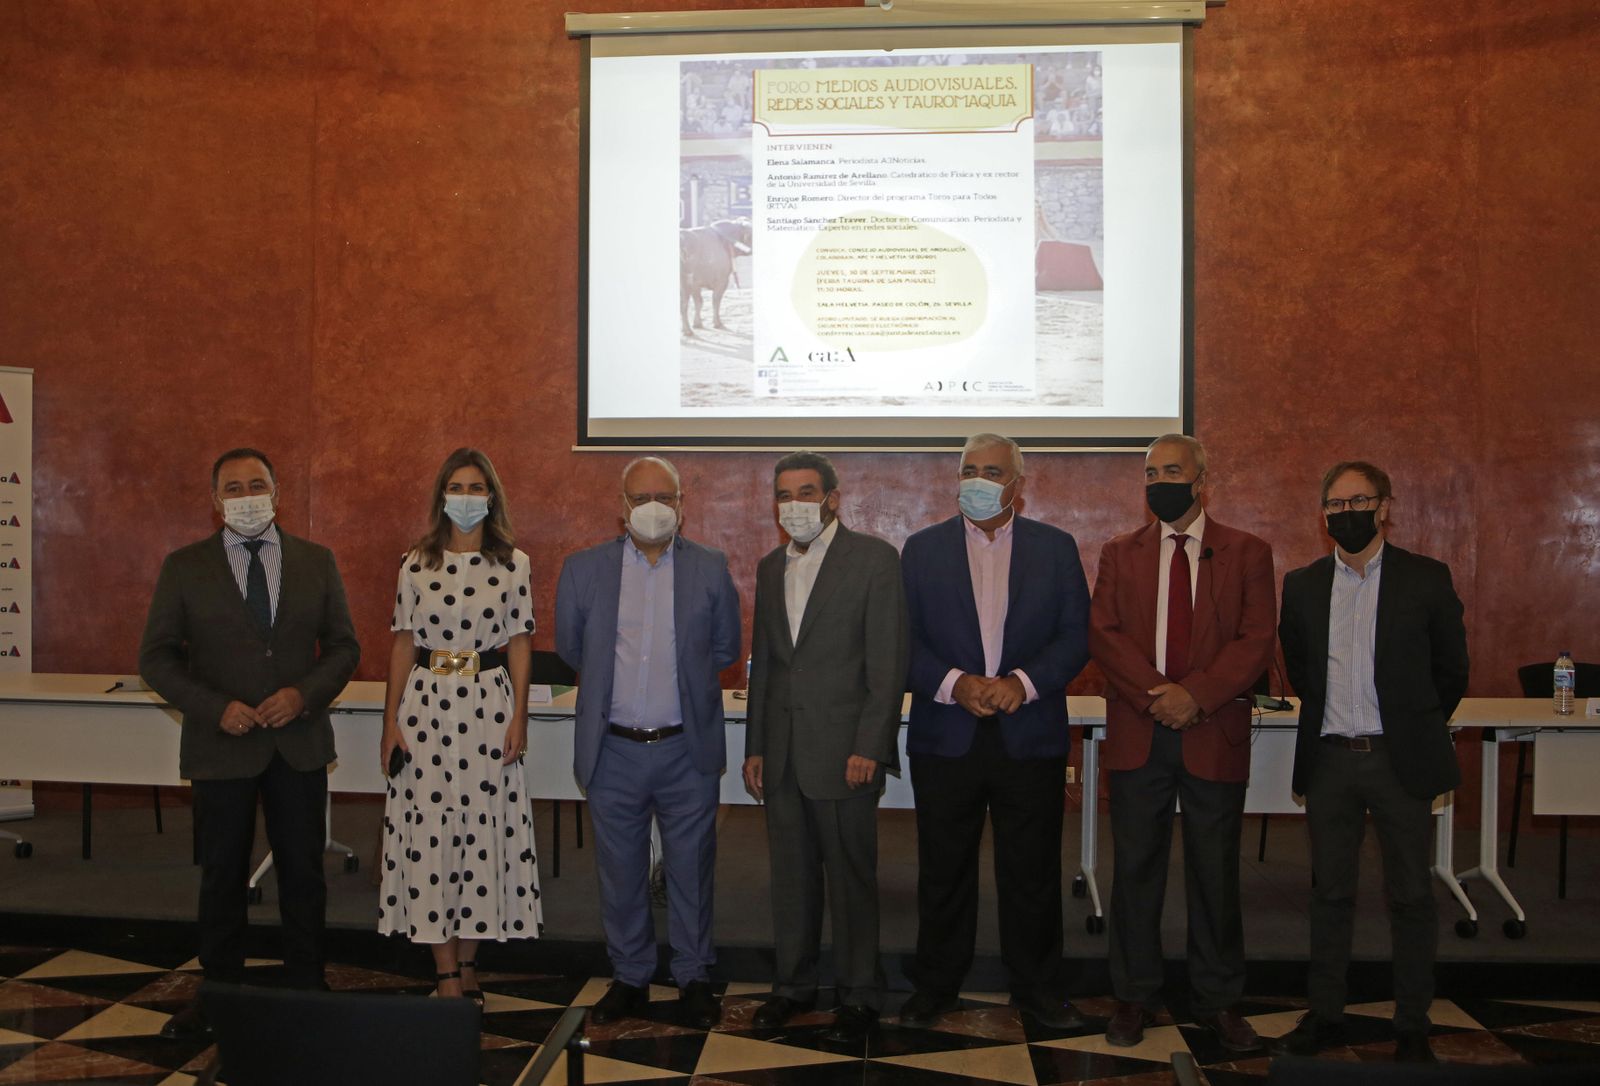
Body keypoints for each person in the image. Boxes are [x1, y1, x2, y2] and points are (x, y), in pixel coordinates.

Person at [139, 448, 361, 1038]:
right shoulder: (184, 566)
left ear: (278, 491)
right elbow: (155, 659)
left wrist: (302, 694)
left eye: (256, 484)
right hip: (222, 746)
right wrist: (215, 708)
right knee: (222, 874)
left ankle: (308, 986)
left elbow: (344, 647)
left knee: (303, 871)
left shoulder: (317, 561)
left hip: (299, 740)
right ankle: (218, 995)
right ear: (215, 502)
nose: (245, 495)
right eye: (232, 488)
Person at [1268, 462, 1468, 1064]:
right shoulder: (1302, 585)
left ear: (1384, 506)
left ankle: (1412, 1022)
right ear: (1322, 513)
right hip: (1330, 762)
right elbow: (1301, 668)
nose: (1345, 513)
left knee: (1410, 895)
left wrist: (1410, 726)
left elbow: (1450, 673)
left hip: (1397, 759)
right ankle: (1327, 1014)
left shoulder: (1427, 578)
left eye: (1358, 501)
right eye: (1333, 505)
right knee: (1329, 893)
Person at [1089, 434, 1275, 1052]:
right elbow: (1106, 634)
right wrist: (1156, 695)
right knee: (1135, 871)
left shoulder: (1247, 551)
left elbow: (1255, 640)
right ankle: (1133, 996)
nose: (1159, 481)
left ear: (1201, 481)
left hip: (1211, 730)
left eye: (1172, 470)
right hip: (1142, 732)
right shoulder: (1121, 552)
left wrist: (1195, 695)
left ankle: (1218, 1001)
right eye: (1150, 472)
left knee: (1215, 873)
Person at [898, 434, 1091, 1029]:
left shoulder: (1056, 549)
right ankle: (935, 986)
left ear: (1017, 484)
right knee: (943, 869)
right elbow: (901, 639)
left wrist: (1023, 682)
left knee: (1031, 872)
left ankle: (1037, 991)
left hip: (1026, 732)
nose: (977, 480)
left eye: (992, 471)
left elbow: (1075, 637)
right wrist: (955, 682)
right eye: (968, 470)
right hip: (946, 733)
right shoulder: (921, 549)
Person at [555, 456, 741, 1029]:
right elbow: (571, 649)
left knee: (691, 869)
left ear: (683, 505)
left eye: (665, 496)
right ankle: (631, 976)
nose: (653, 507)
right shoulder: (584, 569)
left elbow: (724, 648)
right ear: (621, 506)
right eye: (641, 498)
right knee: (620, 872)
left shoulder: (711, 567)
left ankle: (693, 976)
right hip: (613, 750)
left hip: (687, 748)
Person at [742, 451, 909, 1042]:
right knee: (791, 880)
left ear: (833, 498)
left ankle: (859, 993)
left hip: (846, 755)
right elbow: (766, 667)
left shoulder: (874, 561)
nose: (795, 506)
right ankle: (793, 987)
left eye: (807, 493)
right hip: (783, 754)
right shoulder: (768, 567)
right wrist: (756, 746)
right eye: (784, 495)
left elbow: (888, 666)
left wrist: (871, 744)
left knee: (851, 879)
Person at [378, 448, 542, 1002]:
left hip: (488, 711)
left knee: (482, 835)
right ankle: (445, 972)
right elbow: (403, 641)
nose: (466, 497)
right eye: (457, 486)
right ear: (441, 495)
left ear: (491, 496)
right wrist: (388, 723)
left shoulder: (514, 563)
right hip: (424, 712)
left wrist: (520, 713)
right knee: (431, 835)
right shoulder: (414, 563)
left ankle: (468, 963)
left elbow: (520, 641)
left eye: (477, 488)